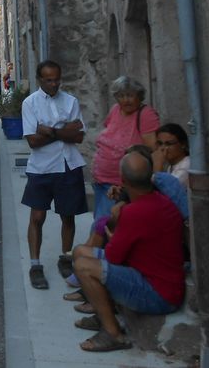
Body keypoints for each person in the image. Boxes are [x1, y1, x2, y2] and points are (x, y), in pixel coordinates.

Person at [70, 149, 185, 352]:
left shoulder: (133, 213)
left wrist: (113, 236)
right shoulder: (160, 201)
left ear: (123, 180)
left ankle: (113, 333)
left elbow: (114, 257)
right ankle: (103, 314)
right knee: (81, 251)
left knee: (84, 266)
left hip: (157, 293)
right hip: (158, 279)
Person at [21, 60, 88, 290]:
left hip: (68, 165)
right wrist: (63, 131)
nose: (54, 83)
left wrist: (48, 130)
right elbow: (32, 141)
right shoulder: (30, 103)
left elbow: (78, 136)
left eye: (57, 79)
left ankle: (66, 257)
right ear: (40, 80)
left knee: (68, 216)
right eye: (49, 80)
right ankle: (35, 264)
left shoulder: (71, 101)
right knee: (37, 217)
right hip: (41, 168)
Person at [90, 77, 160, 226]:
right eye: (121, 96)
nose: (126, 100)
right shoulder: (115, 110)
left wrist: (151, 181)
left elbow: (153, 151)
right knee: (101, 224)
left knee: (103, 227)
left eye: (130, 95)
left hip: (120, 185)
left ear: (139, 96)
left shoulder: (145, 114)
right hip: (101, 180)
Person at [155, 123, 190, 188]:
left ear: (183, 144)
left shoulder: (185, 167)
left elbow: (165, 191)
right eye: (160, 143)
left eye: (168, 144)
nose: (163, 148)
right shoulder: (171, 165)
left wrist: (158, 165)